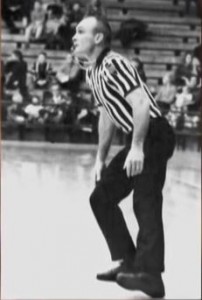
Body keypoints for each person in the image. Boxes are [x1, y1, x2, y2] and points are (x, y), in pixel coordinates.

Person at [72, 16, 175, 298]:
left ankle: (151, 276)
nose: (74, 36)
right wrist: (100, 158)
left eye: (81, 31)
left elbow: (141, 103)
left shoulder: (114, 63)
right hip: (137, 136)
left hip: (153, 133)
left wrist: (138, 146)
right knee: (101, 197)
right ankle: (128, 262)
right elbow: (107, 115)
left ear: (98, 38)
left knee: (145, 200)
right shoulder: (93, 72)